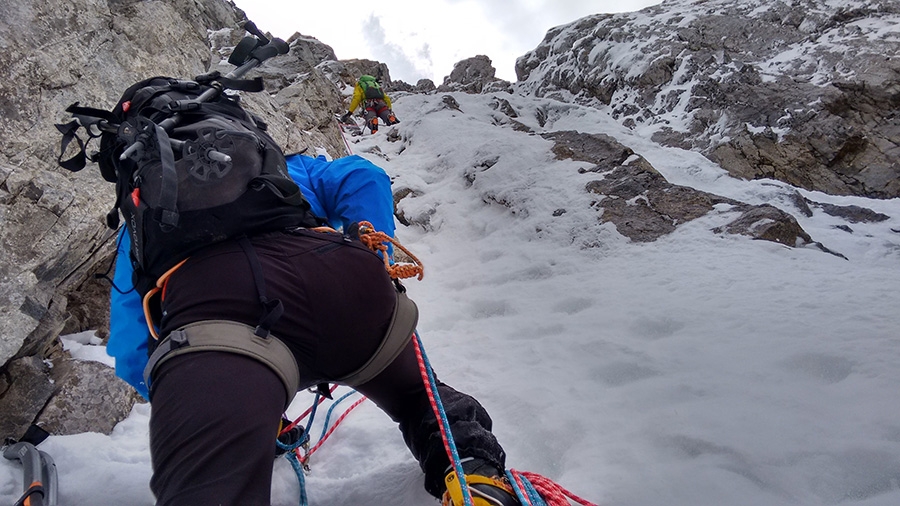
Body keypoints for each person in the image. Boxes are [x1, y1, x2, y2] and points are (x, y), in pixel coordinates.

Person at [107, 152, 520, 506]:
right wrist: (377, 264)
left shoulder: (146, 218)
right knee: (417, 396)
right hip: (340, 278)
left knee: (211, 481)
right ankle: (475, 475)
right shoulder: (285, 170)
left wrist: (234, 405)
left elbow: (132, 354)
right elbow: (365, 176)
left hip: (220, 310)